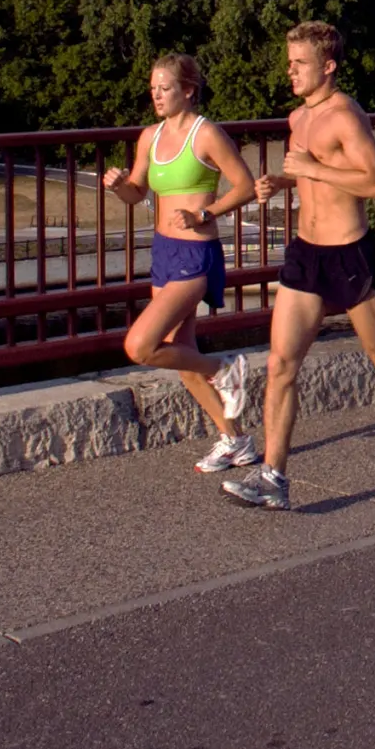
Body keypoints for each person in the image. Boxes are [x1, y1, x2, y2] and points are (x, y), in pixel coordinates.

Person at [222, 21, 375, 510]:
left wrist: (309, 168)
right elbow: (317, 178)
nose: (290, 71)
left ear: (328, 66)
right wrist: (283, 182)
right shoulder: (298, 118)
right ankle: (274, 477)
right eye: (289, 62)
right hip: (306, 255)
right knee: (281, 365)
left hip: (351, 254)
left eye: (300, 64)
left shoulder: (345, 115)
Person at [102, 54, 261, 475]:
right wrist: (120, 187)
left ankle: (226, 368)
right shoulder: (148, 137)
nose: (156, 95)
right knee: (182, 357)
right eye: (153, 88)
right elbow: (138, 193)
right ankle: (236, 440)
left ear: (188, 90)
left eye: (165, 88)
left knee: (141, 346)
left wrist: (205, 214)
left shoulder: (206, 133)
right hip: (163, 251)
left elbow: (245, 186)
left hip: (196, 253)